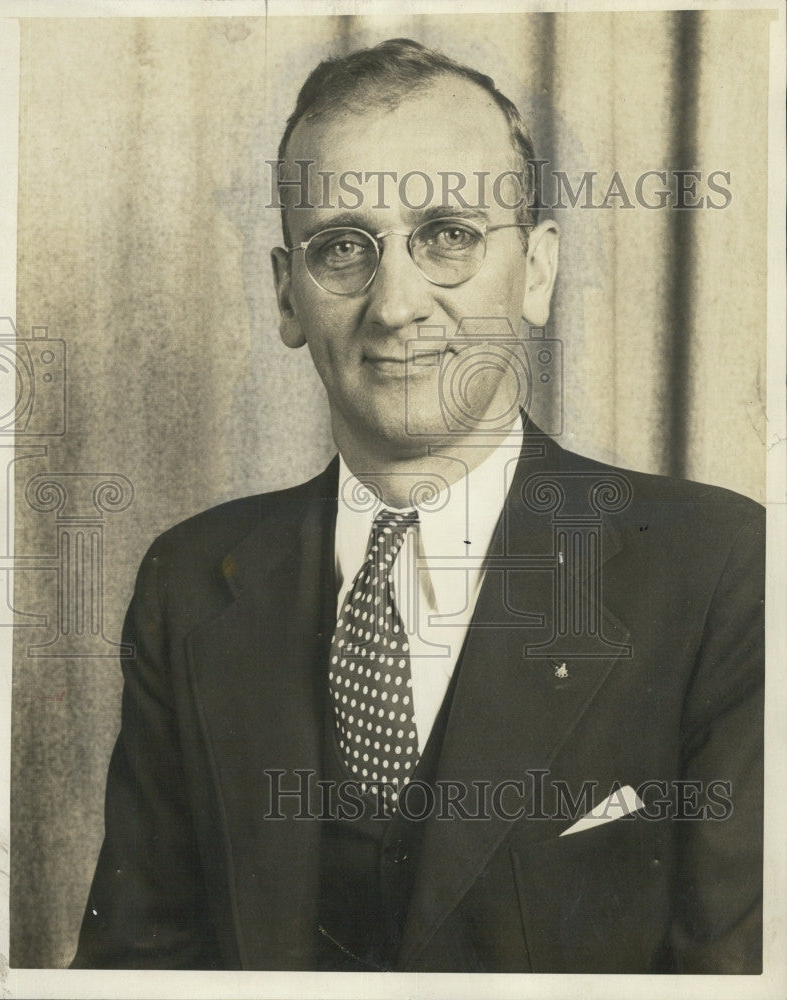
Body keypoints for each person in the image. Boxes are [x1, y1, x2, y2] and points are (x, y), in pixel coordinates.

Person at [72, 38, 764, 973]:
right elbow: (134, 971)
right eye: (343, 249)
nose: (397, 305)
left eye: (448, 235)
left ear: (537, 271)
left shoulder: (723, 567)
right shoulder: (191, 579)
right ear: (287, 295)